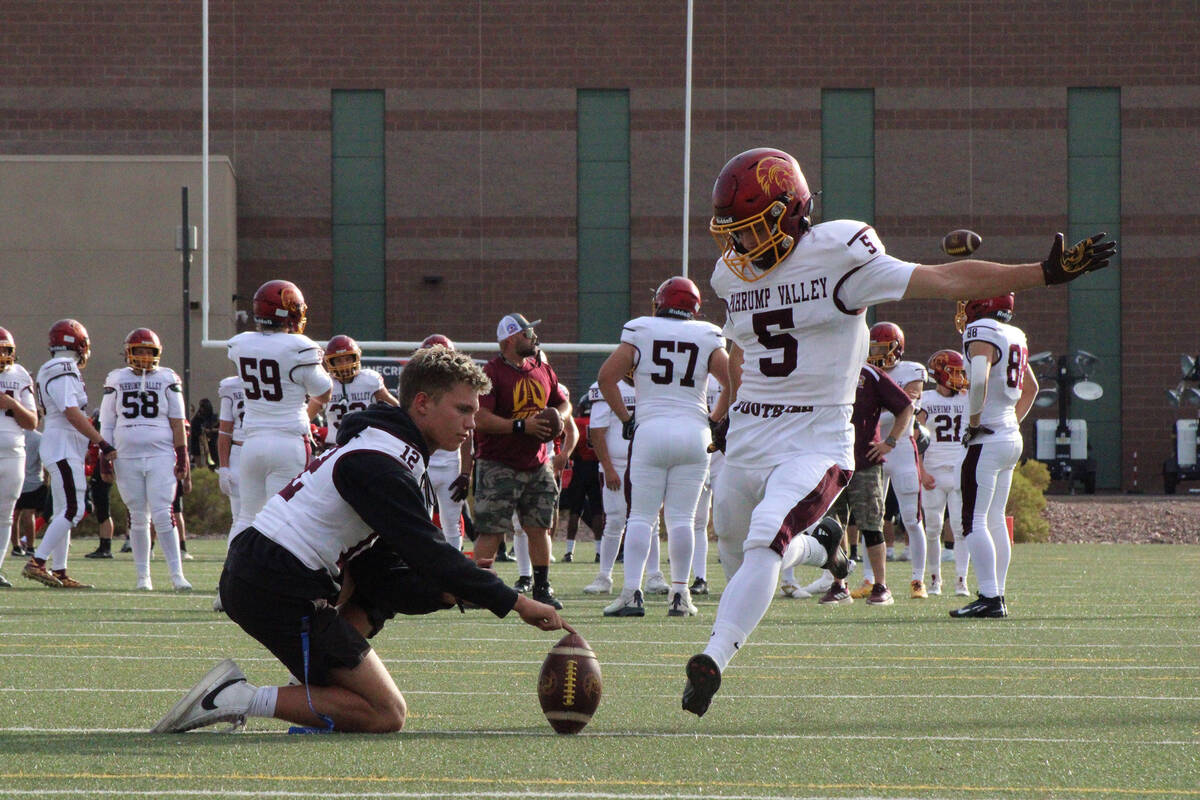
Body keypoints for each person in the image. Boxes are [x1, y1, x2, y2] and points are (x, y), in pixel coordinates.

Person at [682, 146, 1114, 717]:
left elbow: (944, 276)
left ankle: (713, 657)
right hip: (751, 432)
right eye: (732, 232)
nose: (739, 245)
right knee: (738, 555)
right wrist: (725, 414)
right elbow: (743, 351)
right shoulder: (728, 275)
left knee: (765, 539)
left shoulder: (838, 254)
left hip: (814, 436)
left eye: (752, 228)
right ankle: (822, 548)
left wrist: (1041, 273)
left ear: (791, 213)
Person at [150, 345, 572, 734]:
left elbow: (383, 575)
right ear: (422, 403)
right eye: (462, 409)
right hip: (276, 581)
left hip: (271, 572)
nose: (471, 423)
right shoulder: (381, 461)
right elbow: (427, 552)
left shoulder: (389, 447)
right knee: (386, 713)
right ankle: (234, 697)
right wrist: (514, 601)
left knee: (372, 600)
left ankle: (313, 691)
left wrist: (449, 592)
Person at [597, 276, 730, 618]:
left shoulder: (640, 329)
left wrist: (626, 417)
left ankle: (631, 593)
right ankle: (680, 595)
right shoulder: (707, 334)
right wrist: (715, 418)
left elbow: (605, 378)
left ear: (659, 302)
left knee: (641, 516)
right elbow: (735, 382)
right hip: (694, 432)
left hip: (652, 429)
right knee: (683, 519)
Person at [470, 314, 570, 610]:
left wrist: (560, 419)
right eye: (528, 334)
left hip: (538, 461)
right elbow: (480, 418)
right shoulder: (491, 373)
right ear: (511, 339)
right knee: (491, 529)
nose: (533, 338)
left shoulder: (542, 367)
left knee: (539, 528)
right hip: (499, 462)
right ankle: (479, 588)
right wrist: (520, 426)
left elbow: (563, 402)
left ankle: (542, 586)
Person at [950, 294, 1038, 618]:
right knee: (996, 518)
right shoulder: (1015, 334)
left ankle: (989, 597)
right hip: (1009, 435)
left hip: (987, 437)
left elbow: (979, 382)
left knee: (973, 519)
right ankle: (997, 594)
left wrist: (975, 424)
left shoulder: (982, 330)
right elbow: (1032, 389)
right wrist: (1010, 421)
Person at [227, 280, 332, 535]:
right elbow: (324, 391)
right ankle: (276, 576)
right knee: (283, 520)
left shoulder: (241, 343)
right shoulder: (299, 347)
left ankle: (233, 574)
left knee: (246, 518)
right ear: (287, 313)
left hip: (251, 444)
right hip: (287, 442)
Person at [809, 362, 913, 606]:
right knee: (833, 526)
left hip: (864, 461)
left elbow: (906, 406)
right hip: (830, 461)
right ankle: (839, 584)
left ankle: (881, 585)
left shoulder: (870, 374)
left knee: (871, 524)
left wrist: (890, 441)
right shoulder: (821, 369)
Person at [24, 319, 117, 589]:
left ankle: (59, 570)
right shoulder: (63, 368)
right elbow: (70, 411)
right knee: (75, 509)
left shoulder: (57, 367)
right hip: (62, 444)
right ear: (79, 343)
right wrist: (101, 441)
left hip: (63, 444)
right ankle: (37, 561)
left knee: (65, 510)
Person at [99, 328, 192, 591]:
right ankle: (143, 578)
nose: (143, 356)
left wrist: (182, 454)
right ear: (128, 352)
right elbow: (107, 421)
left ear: (156, 353)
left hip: (161, 453)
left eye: (148, 351)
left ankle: (177, 575)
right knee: (138, 516)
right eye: (138, 350)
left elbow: (177, 420)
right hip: (126, 455)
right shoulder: (116, 379)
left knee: (164, 513)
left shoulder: (167, 377)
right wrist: (104, 452)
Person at [582, 367, 665, 598]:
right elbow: (597, 433)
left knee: (652, 522)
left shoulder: (653, 385)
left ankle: (654, 575)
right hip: (617, 465)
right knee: (615, 521)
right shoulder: (608, 387)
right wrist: (608, 468)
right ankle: (604, 576)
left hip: (647, 463)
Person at [865, 321, 931, 599]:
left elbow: (907, 408)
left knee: (912, 520)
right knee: (872, 519)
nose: (878, 353)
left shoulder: (911, 371)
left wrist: (887, 439)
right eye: (874, 348)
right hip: (874, 449)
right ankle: (869, 579)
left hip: (901, 449)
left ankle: (918, 580)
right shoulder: (866, 371)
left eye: (883, 347)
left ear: (898, 348)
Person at [917, 348, 972, 596]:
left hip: (959, 470)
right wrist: (920, 470)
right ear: (941, 374)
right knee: (932, 529)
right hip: (933, 472)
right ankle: (934, 580)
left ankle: (962, 580)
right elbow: (915, 437)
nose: (960, 378)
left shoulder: (967, 398)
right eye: (955, 373)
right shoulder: (926, 400)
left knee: (961, 529)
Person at [415, 335, 472, 551]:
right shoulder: (414, 388)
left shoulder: (461, 388)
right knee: (421, 521)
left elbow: (469, 432)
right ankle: (424, 571)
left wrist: (466, 472)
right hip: (424, 464)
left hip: (450, 464)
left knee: (452, 523)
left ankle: (455, 571)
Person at [0, 327, 38, 587]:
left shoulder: (20, 374)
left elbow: (33, 422)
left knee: (5, 514)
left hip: (13, 451)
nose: (2, 354)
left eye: (6, 350)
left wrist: (13, 405)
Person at [323, 334, 399, 447]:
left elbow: (396, 408)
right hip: (336, 445)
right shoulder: (325, 383)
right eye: (338, 360)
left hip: (366, 443)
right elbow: (308, 415)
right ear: (330, 362)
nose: (344, 365)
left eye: (348, 359)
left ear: (356, 357)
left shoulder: (369, 380)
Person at [560, 396, 603, 564]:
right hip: (596, 467)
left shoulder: (577, 422)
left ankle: (569, 552)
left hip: (580, 468)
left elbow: (572, 448)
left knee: (575, 511)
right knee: (598, 511)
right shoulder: (600, 422)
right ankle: (599, 551)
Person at [13, 428, 45, 559]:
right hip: (33, 481)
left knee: (13, 517)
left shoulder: (14, 434)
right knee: (28, 515)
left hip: (13, 479)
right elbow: (43, 459)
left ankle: (16, 546)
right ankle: (30, 547)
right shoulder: (39, 438)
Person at [189, 398, 219, 471]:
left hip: (212, 445)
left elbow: (218, 429)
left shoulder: (212, 418)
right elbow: (198, 432)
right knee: (201, 467)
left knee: (213, 466)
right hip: (199, 446)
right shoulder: (197, 419)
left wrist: (211, 430)